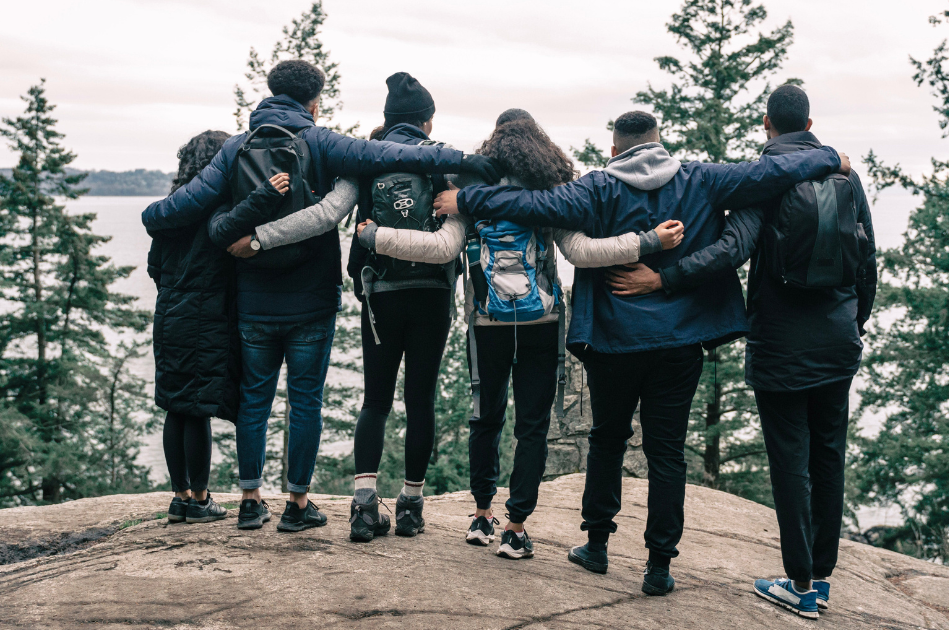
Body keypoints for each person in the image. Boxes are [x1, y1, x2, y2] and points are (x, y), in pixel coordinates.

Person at [434, 110, 850, 596]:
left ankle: (597, 546)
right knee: (667, 453)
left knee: (607, 439)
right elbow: (767, 172)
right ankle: (658, 566)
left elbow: (533, 203)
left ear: (614, 150)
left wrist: (467, 196)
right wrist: (827, 157)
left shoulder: (596, 188)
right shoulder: (702, 178)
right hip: (680, 341)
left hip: (613, 341)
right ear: (660, 143)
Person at [141, 61, 502, 533]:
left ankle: (249, 502)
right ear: (315, 101)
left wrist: (174, 219)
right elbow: (379, 155)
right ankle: (297, 505)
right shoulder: (322, 142)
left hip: (253, 297)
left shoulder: (234, 148)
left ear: (272, 93)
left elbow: (168, 213)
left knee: (255, 400)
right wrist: (457, 160)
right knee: (306, 400)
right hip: (312, 298)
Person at [352, 108, 684, 558]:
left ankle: (482, 515)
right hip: (542, 323)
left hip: (487, 323)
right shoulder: (551, 194)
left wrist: (375, 237)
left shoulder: (471, 193)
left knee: (485, 419)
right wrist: (648, 243)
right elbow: (583, 252)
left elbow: (441, 248)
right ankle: (516, 525)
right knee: (531, 427)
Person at [606, 85, 877, 618]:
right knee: (828, 457)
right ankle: (820, 578)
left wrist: (663, 279)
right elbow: (866, 255)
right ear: (809, 122)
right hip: (838, 341)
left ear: (766, 124)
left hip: (781, 346)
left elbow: (730, 250)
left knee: (790, 463)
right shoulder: (845, 175)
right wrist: (855, 321)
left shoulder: (768, 181)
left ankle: (799, 584)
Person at [146, 130, 237, 525]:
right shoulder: (218, 207)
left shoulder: (172, 209)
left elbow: (154, 266)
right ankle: (200, 499)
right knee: (196, 408)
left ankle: (180, 496)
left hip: (168, 313)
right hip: (205, 316)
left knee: (175, 406)